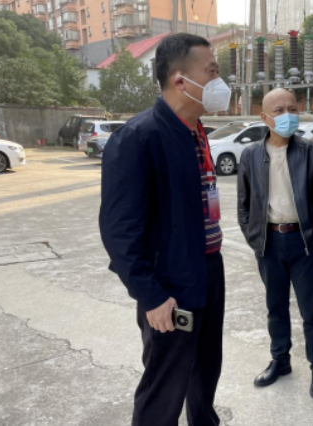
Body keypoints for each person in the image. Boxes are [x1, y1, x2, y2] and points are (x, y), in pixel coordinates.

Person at [99, 33, 232, 426]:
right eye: (212, 71)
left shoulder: (196, 131)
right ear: (179, 80)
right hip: (170, 284)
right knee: (165, 384)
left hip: (209, 269)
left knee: (205, 370)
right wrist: (151, 295)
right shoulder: (139, 138)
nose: (219, 82)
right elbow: (119, 232)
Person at [237, 88, 313, 399]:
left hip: (304, 243)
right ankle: (280, 361)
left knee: (311, 310)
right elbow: (243, 203)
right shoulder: (251, 155)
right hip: (268, 243)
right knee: (275, 308)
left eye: (292, 108)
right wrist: (254, 237)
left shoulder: (310, 151)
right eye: (279, 110)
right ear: (264, 117)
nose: (287, 115)